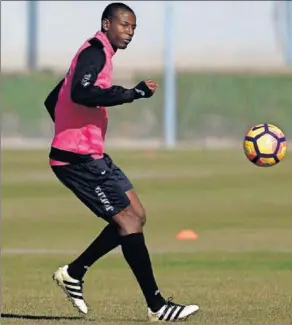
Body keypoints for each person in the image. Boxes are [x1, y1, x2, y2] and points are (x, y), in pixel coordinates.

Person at [43, 2, 199, 322]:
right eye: (124, 25)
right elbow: (82, 93)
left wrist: (73, 130)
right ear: (106, 24)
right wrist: (133, 94)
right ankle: (157, 306)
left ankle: (74, 272)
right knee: (127, 222)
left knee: (136, 216)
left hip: (91, 153)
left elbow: (53, 99)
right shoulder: (95, 52)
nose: (128, 32)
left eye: (133, 28)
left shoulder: (96, 53)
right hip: (77, 160)